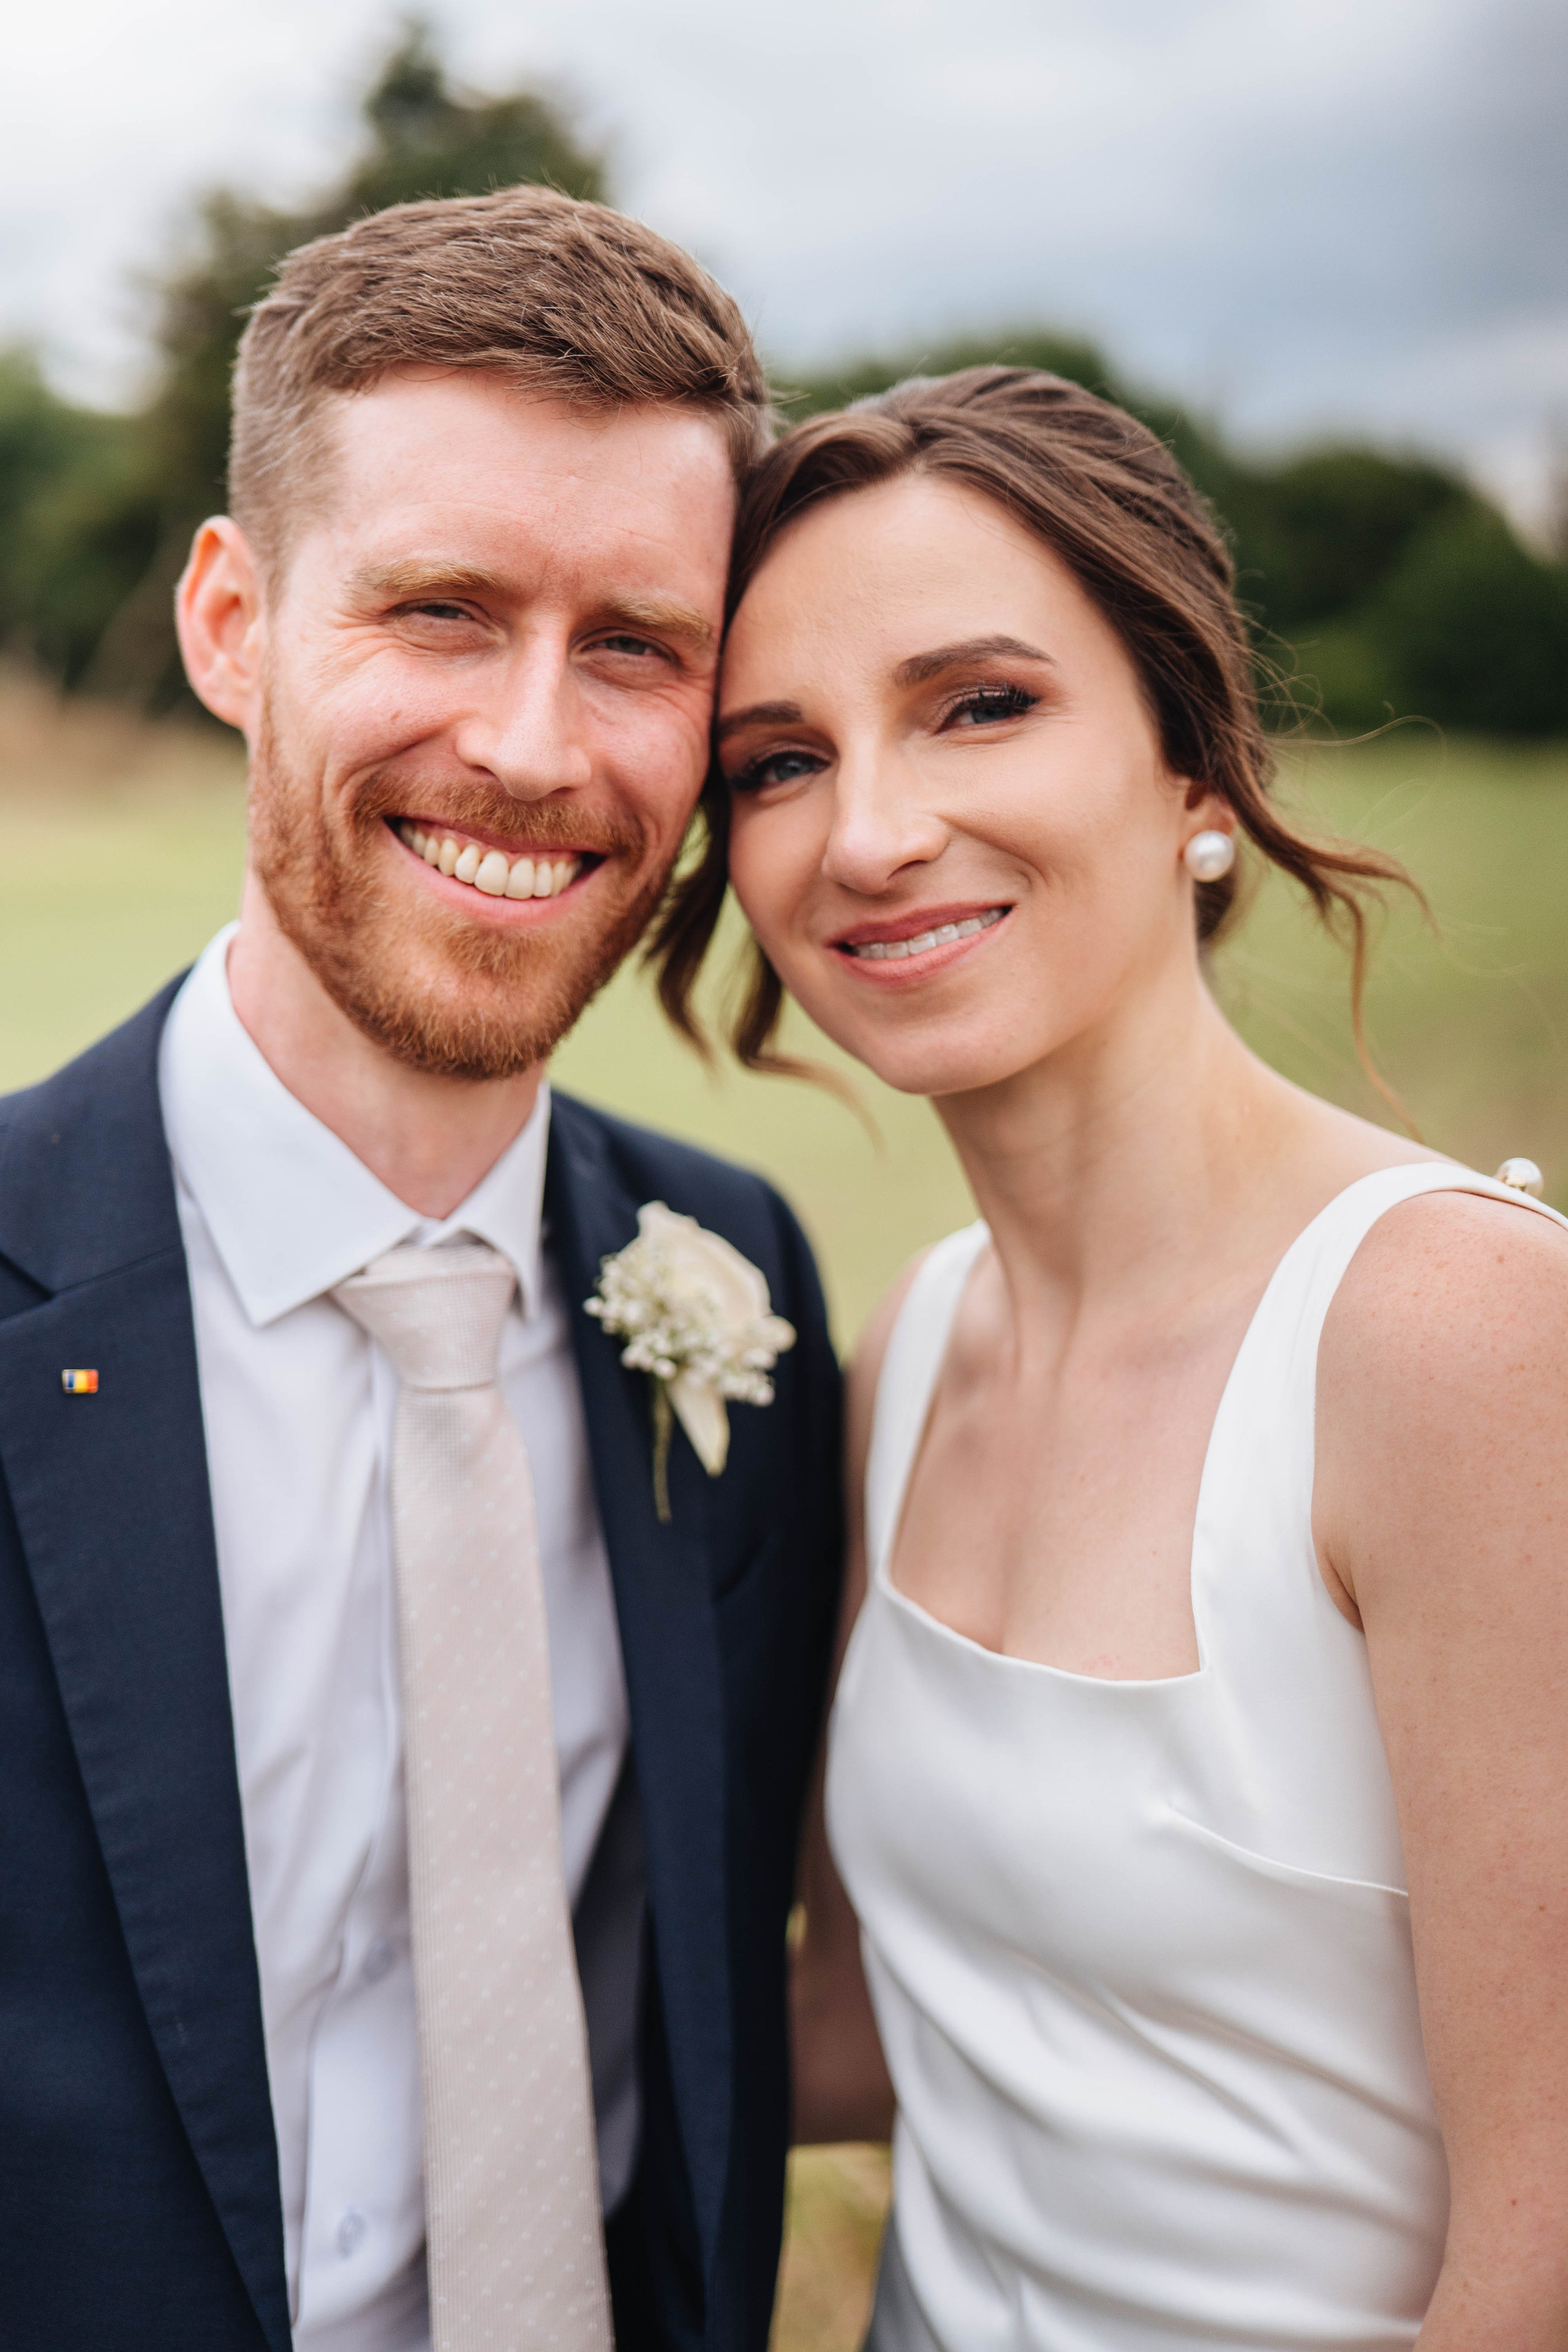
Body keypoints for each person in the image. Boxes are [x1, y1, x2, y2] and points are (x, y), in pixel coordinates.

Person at [0, 187, 842, 2352]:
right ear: (230, 622)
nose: (541, 752)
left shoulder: (732, 1281)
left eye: (638, 646)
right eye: (443, 611)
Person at [654, 367, 1568, 2350]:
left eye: (981, 704)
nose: (874, 832)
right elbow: (859, 2025)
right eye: (778, 760)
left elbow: (1544, 2259)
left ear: (1192, 767)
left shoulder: (1456, 1342)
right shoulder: (914, 1346)